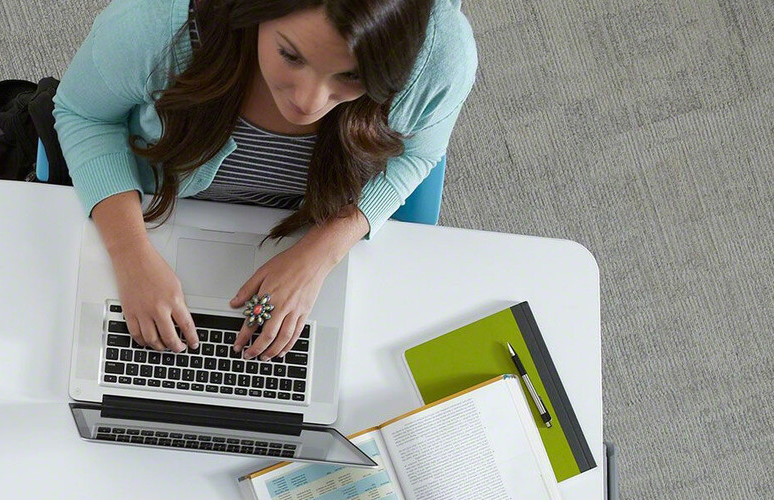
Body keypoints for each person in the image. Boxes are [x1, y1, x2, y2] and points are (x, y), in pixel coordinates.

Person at [54, 0, 476, 359]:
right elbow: (83, 113)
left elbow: (419, 154)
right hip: (150, 208)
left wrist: (319, 255)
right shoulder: (160, 21)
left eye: (351, 76)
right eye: (291, 56)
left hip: (306, 228)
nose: (308, 102)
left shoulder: (438, 55)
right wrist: (130, 255)